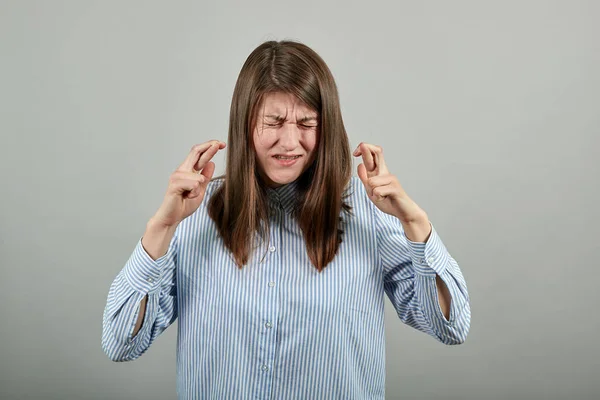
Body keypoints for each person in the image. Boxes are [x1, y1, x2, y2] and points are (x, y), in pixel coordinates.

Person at [102, 40, 471, 399]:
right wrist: (162, 227)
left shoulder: (371, 212)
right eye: (274, 122)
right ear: (245, 124)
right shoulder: (193, 214)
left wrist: (416, 224)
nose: (290, 141)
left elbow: (450, 326)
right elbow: (120, 342)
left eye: (307, 123)